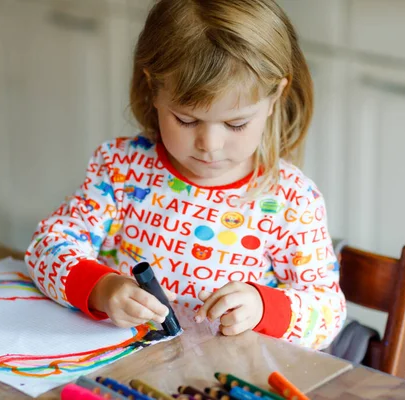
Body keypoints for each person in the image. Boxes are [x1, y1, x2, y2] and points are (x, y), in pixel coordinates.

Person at [25, 0, 346, 350]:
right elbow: (47, 248)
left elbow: (327, 312)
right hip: (121, 368)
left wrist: (262, 307)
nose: (209, 144)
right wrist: (101, 289)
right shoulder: (121, 169)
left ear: (274, 98)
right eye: (187, 120)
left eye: (236, 123)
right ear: (154, 90)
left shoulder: (290, 200)